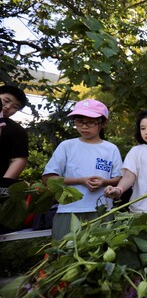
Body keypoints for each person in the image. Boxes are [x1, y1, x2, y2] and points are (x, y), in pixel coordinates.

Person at [43, 99, 123, 239]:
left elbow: (118, 179)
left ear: (102, 123)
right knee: (65, 253)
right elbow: (47, 179)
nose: (84, 127)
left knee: (99, 254)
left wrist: (104, 182)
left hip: (101, 211)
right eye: (79, 121)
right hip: (69, 210)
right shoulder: (67, 146)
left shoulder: (111, 149)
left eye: (90, 122)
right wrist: (80, 180)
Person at [0, 85, 29, 179]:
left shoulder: (17, 131)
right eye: (6, 101)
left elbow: (19, 160)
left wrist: (4, 184)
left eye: (15, 107)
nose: (7, 107)